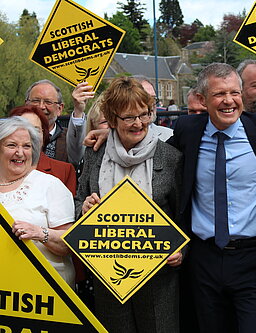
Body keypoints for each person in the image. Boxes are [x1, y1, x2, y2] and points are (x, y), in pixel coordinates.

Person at [168, 62, 256, 333]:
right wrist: (107, 136)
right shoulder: (188, 130)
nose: (229, 101)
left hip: (254, 259)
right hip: (204, 259)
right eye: (219, 94)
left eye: (235, 93)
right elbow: (151, 156)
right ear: (202, 100)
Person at [75, 76, 183, 332]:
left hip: (159, 281)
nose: (139, 124)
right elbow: (79, 198)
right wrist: (84, 208)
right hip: (108, 277)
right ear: (112, 120)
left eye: (144, 115)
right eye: (129, 117)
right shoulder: (95, 153)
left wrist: (181, 251)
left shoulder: (170, 157)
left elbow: (183, 214)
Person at [1, 116, 75, 286]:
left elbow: (70, 245)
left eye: (26, 146)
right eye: (11, 145)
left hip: (41, 294)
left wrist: (40, 233)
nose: (20, 153)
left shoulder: (50, 185)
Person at [9, 105, 77, 196]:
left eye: (35, 130)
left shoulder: (64, 171)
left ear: (44, 134)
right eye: (23, 129)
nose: (29, 135)